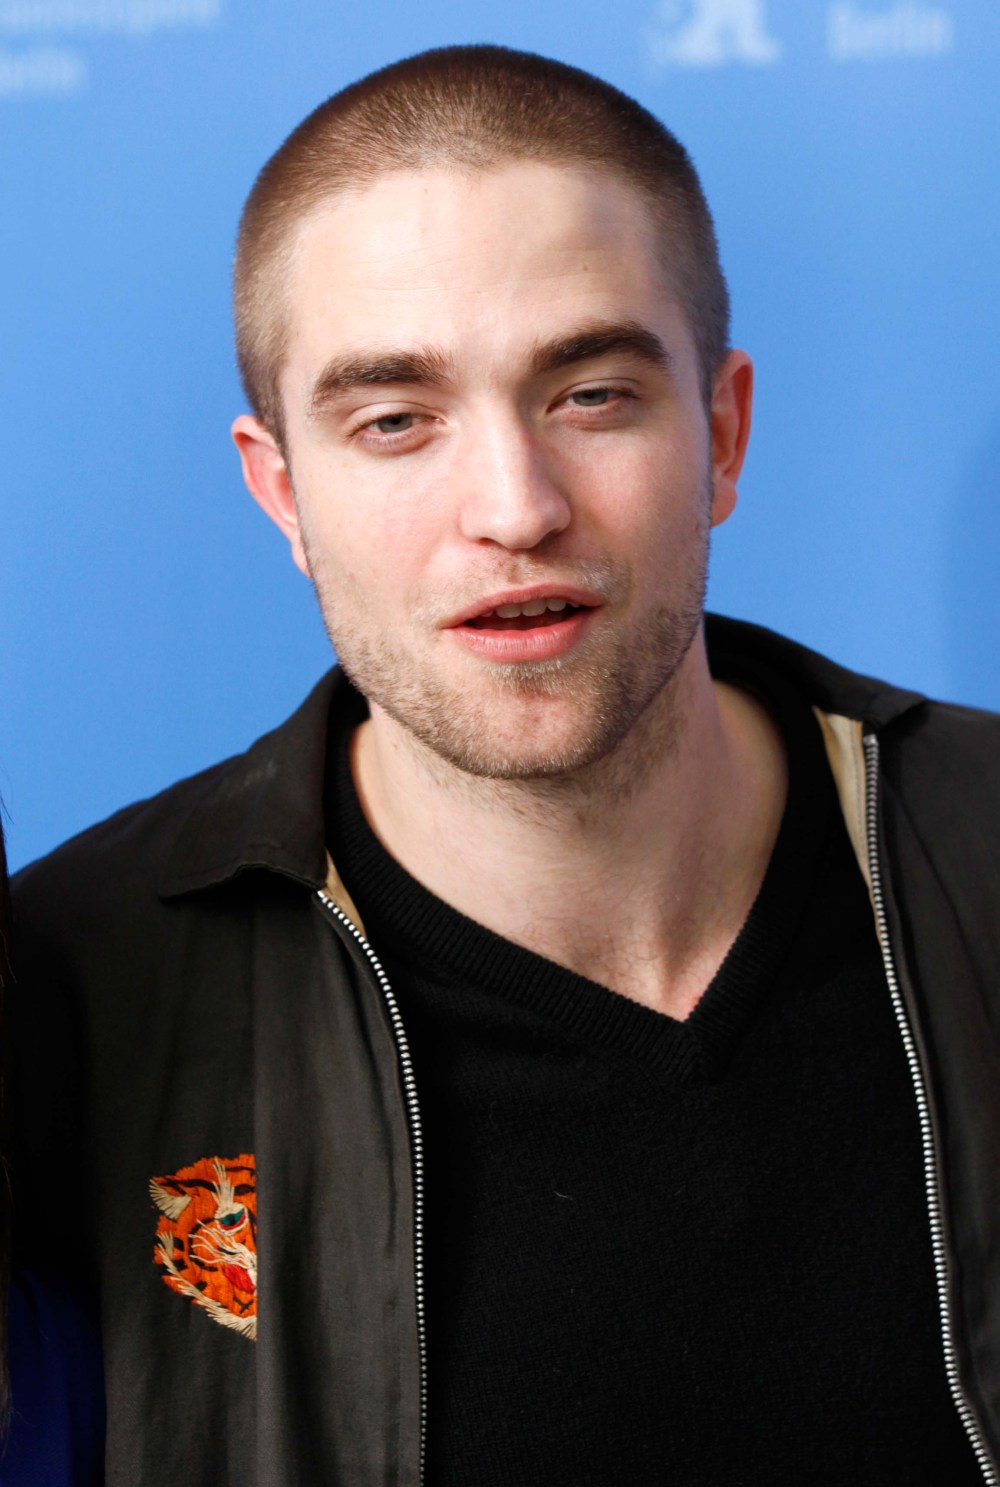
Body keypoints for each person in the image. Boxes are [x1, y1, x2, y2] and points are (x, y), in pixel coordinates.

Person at [10, 43, 1000, 1486]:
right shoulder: (65, 1002)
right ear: (282, 493)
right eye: (394, 421)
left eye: (590, 394)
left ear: (722, 433)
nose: (514, 508)